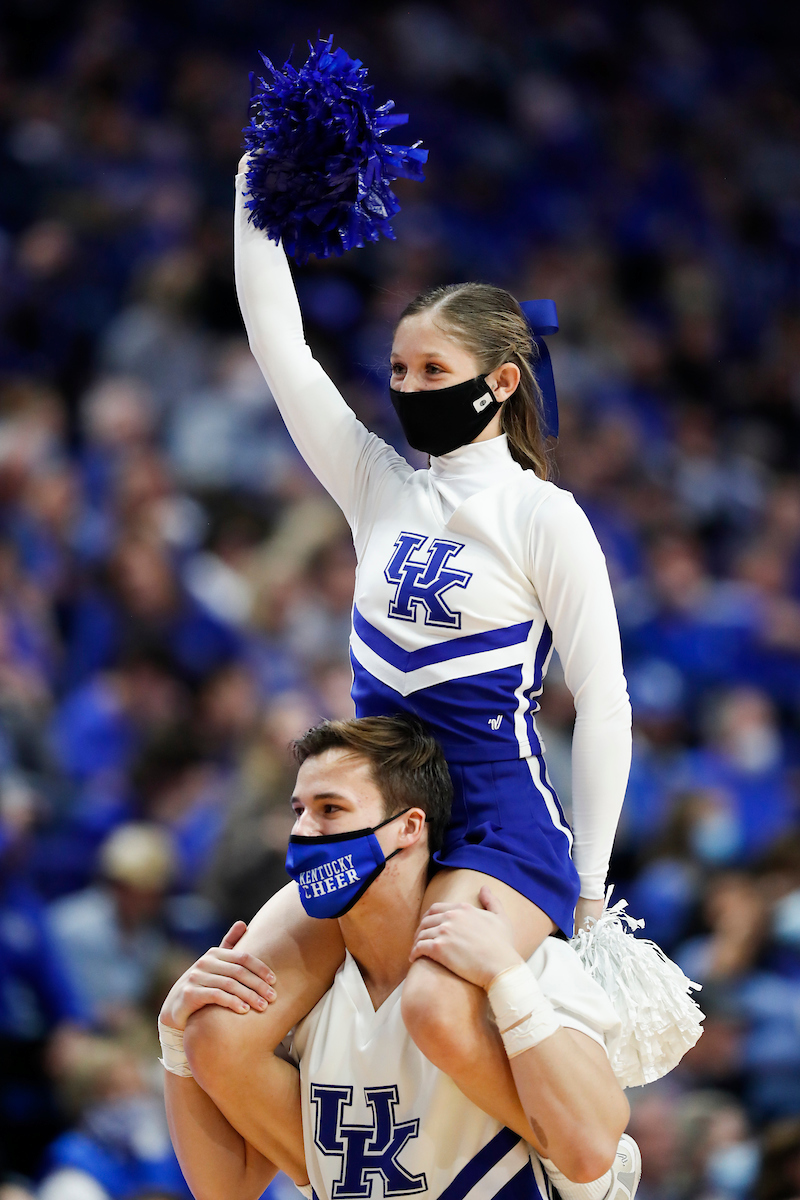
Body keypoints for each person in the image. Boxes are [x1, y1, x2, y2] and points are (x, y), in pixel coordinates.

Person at [187, 157, 631, 1146]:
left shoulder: (542, 517)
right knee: (217, 1028)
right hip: (375, 821)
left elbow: (602, 703)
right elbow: (279, 347)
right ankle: (343, 1181)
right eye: (398, 371)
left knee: (435, 1009)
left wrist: (591, 892)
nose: (408, 389)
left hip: (493, 826)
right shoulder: (374, 486)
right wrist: (253, 192)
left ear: (499, 381)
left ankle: (575, 1167)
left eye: (433, 372)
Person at [161, 716, 638, 1200]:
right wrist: (176, 1040)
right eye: (298, 810)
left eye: (330, 809)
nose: (303, 831)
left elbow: (592, 1152)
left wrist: (508, 980)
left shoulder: (516, 962)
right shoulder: (304, 1008)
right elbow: (224, 1190)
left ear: (409, 827)